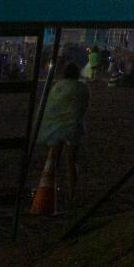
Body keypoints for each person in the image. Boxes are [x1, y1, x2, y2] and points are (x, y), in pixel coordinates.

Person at [37, 62, 89, 211]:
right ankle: (73, 192)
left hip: (57, 127)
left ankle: (51, 186)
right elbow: (84, 106)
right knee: (72, 162)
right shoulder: (82, 88)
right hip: (74, 128)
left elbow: (51, 107)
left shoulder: (58, 87)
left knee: (54, 160)